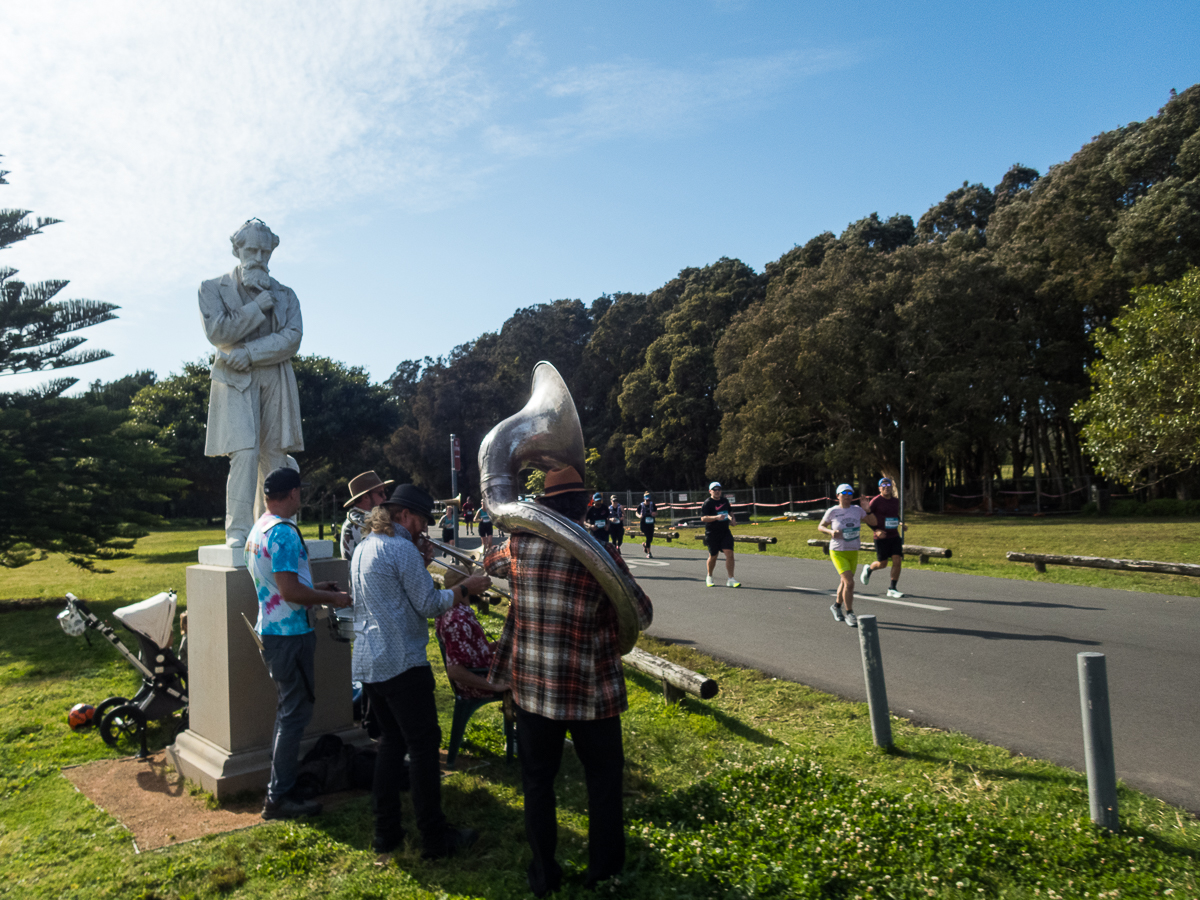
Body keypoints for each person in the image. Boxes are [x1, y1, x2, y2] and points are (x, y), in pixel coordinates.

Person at [484, 467, 653, 897]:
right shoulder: (601, 552)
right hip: (590, 689)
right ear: (582, 504)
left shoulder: (520, 545)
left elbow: (490, 563)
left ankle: (543, 875)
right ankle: (604, 872)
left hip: (533, 687)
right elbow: (641, 613)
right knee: (603, 780)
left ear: (545, 504)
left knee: (537, 781)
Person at [350, 484, 491, 858]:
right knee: (425, 747)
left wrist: (421, 561)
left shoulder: (365, 546)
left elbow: (397, 592)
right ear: (406, 516)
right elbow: (429, 604)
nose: (424, 529)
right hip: (401, 662)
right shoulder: (400, 547)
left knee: (391, 745)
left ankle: (386, 833)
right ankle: (434, 836)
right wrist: (466, 587)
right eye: (422, 521)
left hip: (369, 661)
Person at [244, 467, 352, 820]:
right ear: (292, 493)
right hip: (291, 635)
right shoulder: (286, 534)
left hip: (272, 632)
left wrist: (320, 590)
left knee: (287, 712)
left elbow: (280, 584)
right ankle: (279, 797)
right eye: (299, 491)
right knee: (293, 717)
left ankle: (280, 789)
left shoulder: (259, 529)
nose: (301, 497)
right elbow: (290, 592)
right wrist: (331, 599)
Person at [200, 219, 305, 548]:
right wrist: (256, 308)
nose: (257, 257)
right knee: (244, 452)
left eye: (263, 250)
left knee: (274, 454)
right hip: (235, 379)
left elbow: (292, 338)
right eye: (250, 250)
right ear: (237, 250)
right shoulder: (212, 288)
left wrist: (250, 352)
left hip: (274, 375)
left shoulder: (286, 295)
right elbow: (218, 333)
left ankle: (278, 526)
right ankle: (239, 529)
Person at [818, 483, 878, 628]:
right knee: (850, 583)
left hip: (853, 551)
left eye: (850, 493)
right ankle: (849, 612)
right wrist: (831, 532)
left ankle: (836, 606)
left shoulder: (857, 510)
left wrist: (868, 510)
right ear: (837, 496)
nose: (847, 496)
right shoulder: (832, 511)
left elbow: (874, 522)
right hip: (838, 551)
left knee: (845, 582)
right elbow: (820, 526)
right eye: (843, 493)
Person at [434, 603, 508, 698]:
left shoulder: (455, 610)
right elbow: (455, 671)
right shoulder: (458, 621)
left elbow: (474, 652)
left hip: (485, 673)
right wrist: (494, 686)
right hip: (481, 681)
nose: (487, 587)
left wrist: (503, 643)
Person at [860, 476, 908, 598]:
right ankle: (869, 569)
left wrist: (900, 522)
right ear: (879, 488)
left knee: (897, 560)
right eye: (884, 486)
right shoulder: (875, 501)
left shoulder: (895, 501)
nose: (887, 488)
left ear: (892, 488)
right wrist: (876, 530)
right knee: (883, 564)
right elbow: (867, 518)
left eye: (889, 486)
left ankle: (892, 588)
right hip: (881, 538)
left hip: (894, 536)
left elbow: (894, 515)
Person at [341, 470, 393, 564]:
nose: (385, 497)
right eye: (380, 493)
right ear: (365, 497)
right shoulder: (359, 522)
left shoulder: (356, 517)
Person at [701, 481, 739, 587]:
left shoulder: (724, 501)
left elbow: (729, 512)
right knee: (713, 556)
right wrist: (716, 518)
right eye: (715, 490)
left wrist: (732, 519)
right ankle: (709, 576)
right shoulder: (707, 503)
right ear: (710, 491)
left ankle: (731, 579)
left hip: (725, 532)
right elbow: (703, 518)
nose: (717, 492)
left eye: (719, 490)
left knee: (730, 554)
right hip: (712, 533)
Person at [637, 491, 657, 558]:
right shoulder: (641, 505)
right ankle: (649, 553)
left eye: (649, 500)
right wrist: (639, 516)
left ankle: (646, 545)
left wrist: (654, 514)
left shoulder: (652, 504)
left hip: (651, 523)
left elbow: (656, 512)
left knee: (650, 538)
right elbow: (636, 512)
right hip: (643, 524)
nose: (648, 502)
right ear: (644, 499)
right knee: (648, 537)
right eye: (646, 500)